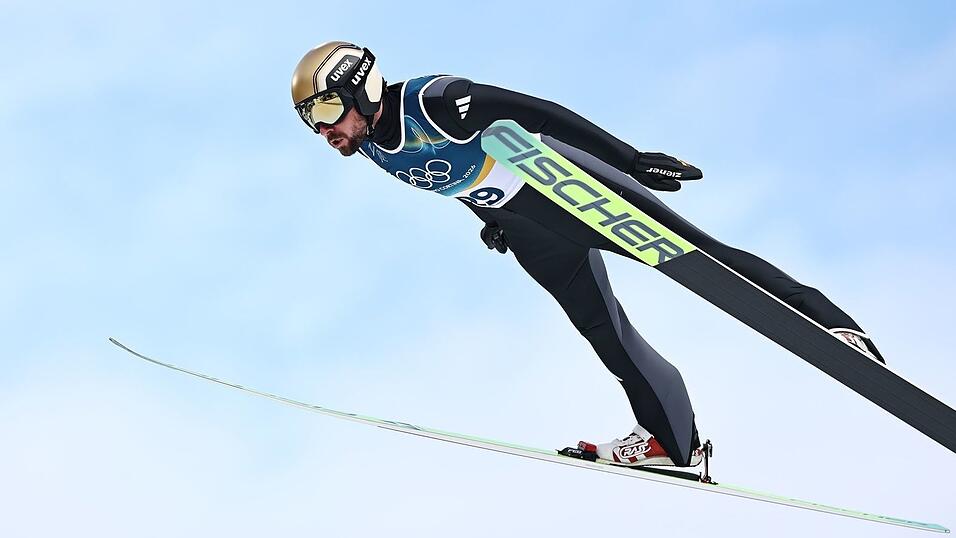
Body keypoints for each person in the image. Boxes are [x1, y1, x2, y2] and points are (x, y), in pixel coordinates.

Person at [290, 41, 885, 468]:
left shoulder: (438, 100)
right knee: (602, 330)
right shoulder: (369, 147)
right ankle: (669, 442)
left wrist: (629, 159)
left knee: (704, 259)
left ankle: (832, 326)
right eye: (311, 123)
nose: (324, 133)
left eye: (323, 113)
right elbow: (450, 175)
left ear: (358, 90)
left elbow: (537, 113)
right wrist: (490, 219)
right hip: (528, 227)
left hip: (564, 187)